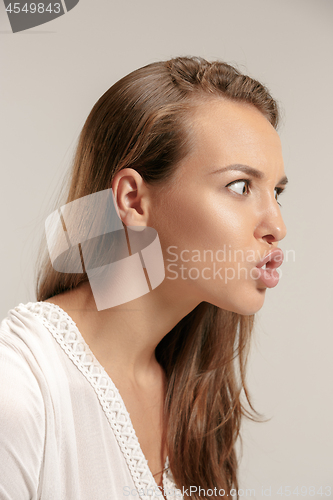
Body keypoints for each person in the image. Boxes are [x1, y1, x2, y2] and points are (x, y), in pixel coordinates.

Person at [0, 56, 288, 500]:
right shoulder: (20, 386)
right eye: (239, 187)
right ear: (133, 200)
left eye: (277, 193)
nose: (276, 226)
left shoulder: (196, 401)